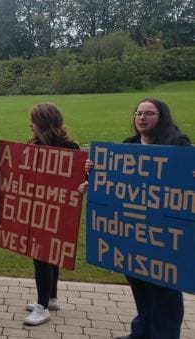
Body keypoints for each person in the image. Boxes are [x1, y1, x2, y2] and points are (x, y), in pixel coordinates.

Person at [85, 98, 190, 339]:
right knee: (140, 288)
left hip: (163, 234)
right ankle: (141, 332)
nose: (142, 117)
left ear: (161, 117)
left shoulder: (178, 146)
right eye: (138, 113)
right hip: (132, 232)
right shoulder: (127, 146)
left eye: (149, 113)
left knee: (164, 292)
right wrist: (95, 174)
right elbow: (115, 187)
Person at [21, 103, 81, 326]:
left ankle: (42, 307)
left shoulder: (69, 147)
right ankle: (51, 298)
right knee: (48, 256)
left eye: (33, 120)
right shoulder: (34, 145)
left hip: (57, 212)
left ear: (43, 123)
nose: (30, 124)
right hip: (39, 209)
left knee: (43, 257)